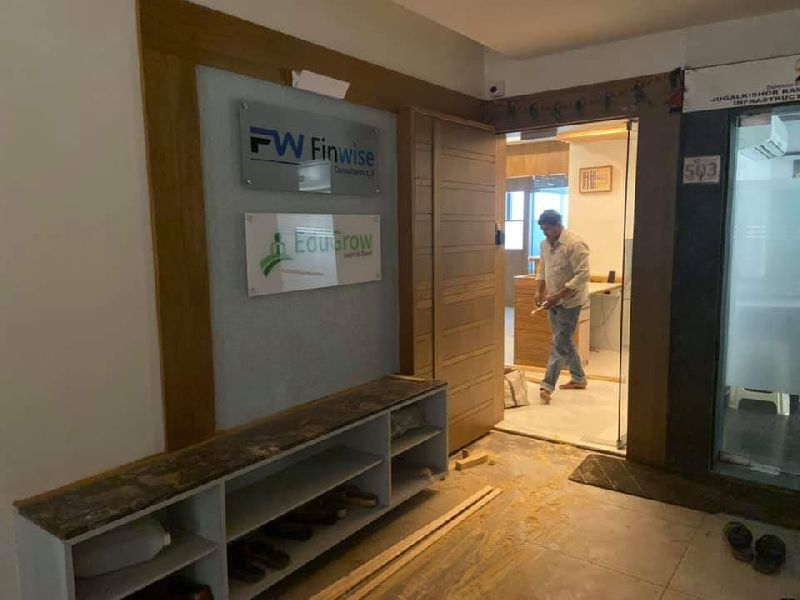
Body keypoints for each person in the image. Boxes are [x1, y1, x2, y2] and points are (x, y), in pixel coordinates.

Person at [533, 210, 590, 403]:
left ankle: (547, 386)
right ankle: (579, 378)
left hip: (570, 302)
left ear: (558, 225)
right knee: (564, 340)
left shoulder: (575, 244)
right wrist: (539, 291)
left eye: (548, 229)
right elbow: (542, 268)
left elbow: (583, 275)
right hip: (552, 299)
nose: (545, 233)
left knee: (559, 344)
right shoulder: (544, 244)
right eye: (542, 230)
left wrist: (559, 295)